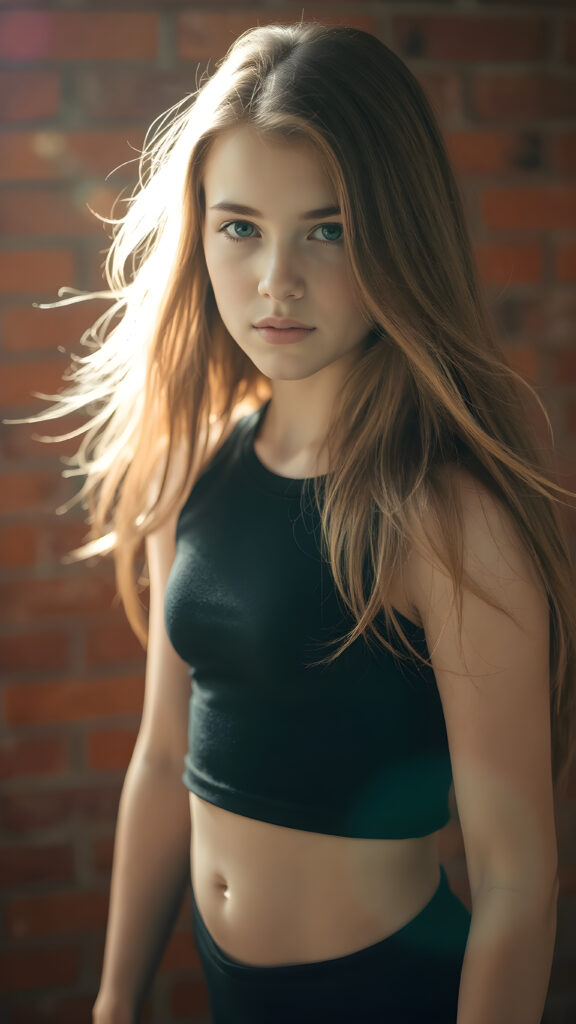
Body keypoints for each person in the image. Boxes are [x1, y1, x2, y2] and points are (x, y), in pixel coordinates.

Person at [6, 20, 576, 1024]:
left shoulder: (446, 513)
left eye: (329, 228)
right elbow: (160, 754)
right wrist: (111, 999)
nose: (276, 280)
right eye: (240, 227)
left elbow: (519, 881)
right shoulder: (196, 462)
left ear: (398, 234)